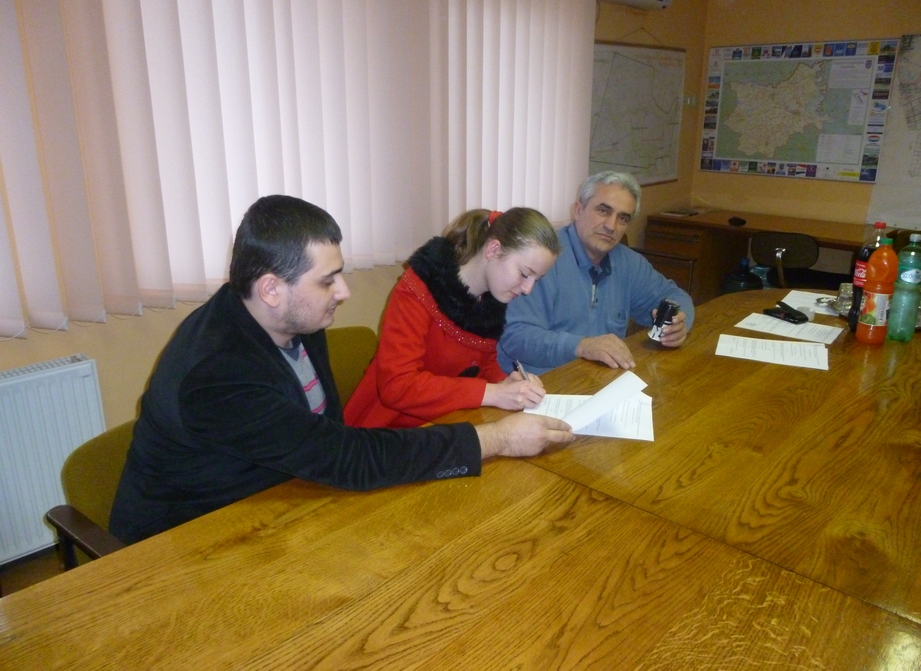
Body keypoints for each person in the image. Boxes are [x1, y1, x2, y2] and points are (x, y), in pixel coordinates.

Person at [109, 195, 573, 545]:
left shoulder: (294, 316)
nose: (344, 291)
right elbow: (345, 455)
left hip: (284, 503)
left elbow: (329, 440)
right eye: (327, 280)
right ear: (271, 289)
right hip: (186, 543)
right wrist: (498, 439)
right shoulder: (218, 375)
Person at [344, 207, 560, 428]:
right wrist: (492, 393)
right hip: (388, 427)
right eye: (524, 274)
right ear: (493, 250)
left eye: (536, 279)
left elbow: (481, 366)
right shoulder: (419, 289)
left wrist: (505, 383)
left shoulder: (491, 300)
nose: (527, 289)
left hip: (447, 423)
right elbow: (397, 386)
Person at [497, 171, 695, 376]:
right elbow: (515, 337)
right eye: (603, 210)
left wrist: (679, 324)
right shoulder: (541, 260)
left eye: (623, 218)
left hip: (600, 379)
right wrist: (581, 346)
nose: (611, 226)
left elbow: (675, 296)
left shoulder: (628, 263)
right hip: (541, 382)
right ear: (578, 210)